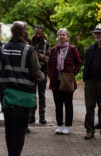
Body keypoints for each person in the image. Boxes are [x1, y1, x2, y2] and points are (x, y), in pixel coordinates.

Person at [0, 21, 44, 156]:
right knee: (19, 132)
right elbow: (37, 76)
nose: (28, 32)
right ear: (22, 33)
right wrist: (43, 75)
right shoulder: (29, 50)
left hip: (6, 96)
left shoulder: (2, 49)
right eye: (26, 29)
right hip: (23, 98)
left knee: (10, 129)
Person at [47, 28, 81, 134]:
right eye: (60, 34)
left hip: (67, 81)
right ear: (58, 37)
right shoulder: (53, 49)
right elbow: (48, 65)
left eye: (64, 35)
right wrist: (51, 75)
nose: (62, 36)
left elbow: (78, 63)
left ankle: (67, 126)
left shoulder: (72, 49)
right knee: (58, 104)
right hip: (55, 81)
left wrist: (73, 73)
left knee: (68, 104)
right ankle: (59, 125)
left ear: (67, 37)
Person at [29, 25, 51, 124]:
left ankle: (42, 116)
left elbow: (51, 60)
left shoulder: (46, 44)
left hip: (43, 72)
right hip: (31, 72)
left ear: (42, 33)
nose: (38, 35)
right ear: (34, 32)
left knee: (42, 94)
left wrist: (43, 57)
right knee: (32, 94)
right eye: (36, 33)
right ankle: (32, 116)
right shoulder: (29, 43)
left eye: (40, 33)